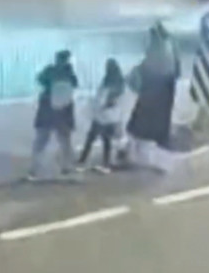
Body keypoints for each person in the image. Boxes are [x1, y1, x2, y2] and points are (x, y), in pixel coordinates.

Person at [125, 23, 181, 171]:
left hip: (151, 96)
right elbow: (176, 71)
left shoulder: (157, 50)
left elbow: (146, 68)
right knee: (158, 130)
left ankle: (140, 157)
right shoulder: (170, 48)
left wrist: (134, 75)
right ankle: (159, 161)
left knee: (140, 127)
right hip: (164, 97)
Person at [29, 50, 79, 181]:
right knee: (62, 139)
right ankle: (64, 166)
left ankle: (36, 167)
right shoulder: (68, 72)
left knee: (45, 138)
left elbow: (40, 79)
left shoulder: (52, 71)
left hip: (50, 107)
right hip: (61, 108)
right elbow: (74, 85)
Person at [77, 58, 125, 173]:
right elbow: (117, 100)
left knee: (91, 138)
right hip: (112, 117)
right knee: (106, 140)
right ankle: (105, 163)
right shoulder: (120, 82)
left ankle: (82, 161)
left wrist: (97, 107)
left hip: (102, 116)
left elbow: (104, 99)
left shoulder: (108, 81)